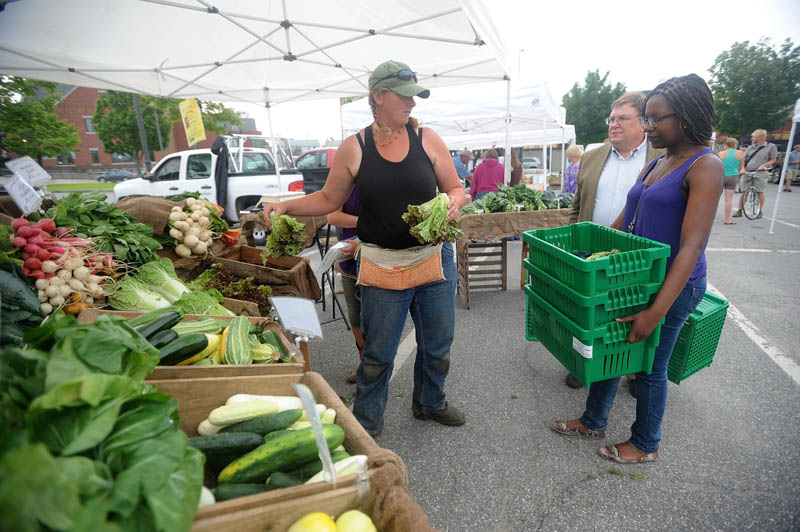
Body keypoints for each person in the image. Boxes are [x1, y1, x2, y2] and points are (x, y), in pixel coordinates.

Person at [262, 60, 468, 437]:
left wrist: (453, 200)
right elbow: (327, 198)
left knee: (438, 345)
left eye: (414, 97)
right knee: (377, 354)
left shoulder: (428, 139)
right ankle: (367, 421)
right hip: (382, 266)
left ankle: (430, 402)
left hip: (434, 262)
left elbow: (458, 189)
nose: (412, 104)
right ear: (378, 96)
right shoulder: (354, 148)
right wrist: (285, 205)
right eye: (404, 97)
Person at [551, 74, 723, 464]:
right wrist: (587, 253)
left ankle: (646, 443)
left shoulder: (705, 166)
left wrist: (655, 312)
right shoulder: (660, 161)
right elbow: (627, 220)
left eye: (657, 119)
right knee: (614, 351)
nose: (648, 127)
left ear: (688, 116)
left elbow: (691, 248)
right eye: (647, 118)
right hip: (634, 278)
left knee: (648, 367)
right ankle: (593, 420)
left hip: (673, 287)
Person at [566, 92, 663, 390]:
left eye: (623, 118)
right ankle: (583, 362)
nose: (614, 124)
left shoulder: (660, 158)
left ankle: (633, 371)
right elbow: (577, 204)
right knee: (588, 312)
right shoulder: (593, 157)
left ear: (643, 123)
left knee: (630, 311)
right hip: (593, 255)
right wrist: (572, 242)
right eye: (612, 119)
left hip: (637, 257)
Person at [326, 190, 364, 384]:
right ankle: (364, 364)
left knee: (374, 321)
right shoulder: (347, 181)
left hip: (379, 260)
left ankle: (372, 373)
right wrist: (367, 224)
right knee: (355, 317)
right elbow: (333, 215)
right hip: (349, 257)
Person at [733, 129, 777, 219]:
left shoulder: (771, 147)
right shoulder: (750, 147)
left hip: (760, 172)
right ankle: (740, 210)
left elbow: (773, 159)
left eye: (753, 137)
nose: (752, 138)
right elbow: (744, 160)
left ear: (759, 138)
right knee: (744, 191)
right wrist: (742, 168)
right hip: (748, 171)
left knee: (760, 191)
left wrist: (764, 165)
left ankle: (759, 211)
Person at [717, 137, 744, 224]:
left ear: (725, 145)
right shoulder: (740, 153)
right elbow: (741, 168)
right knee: (728, 200)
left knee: (714, 198)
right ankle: (727, 220)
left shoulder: (720, 153)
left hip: (721, 176)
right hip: (732, 177)